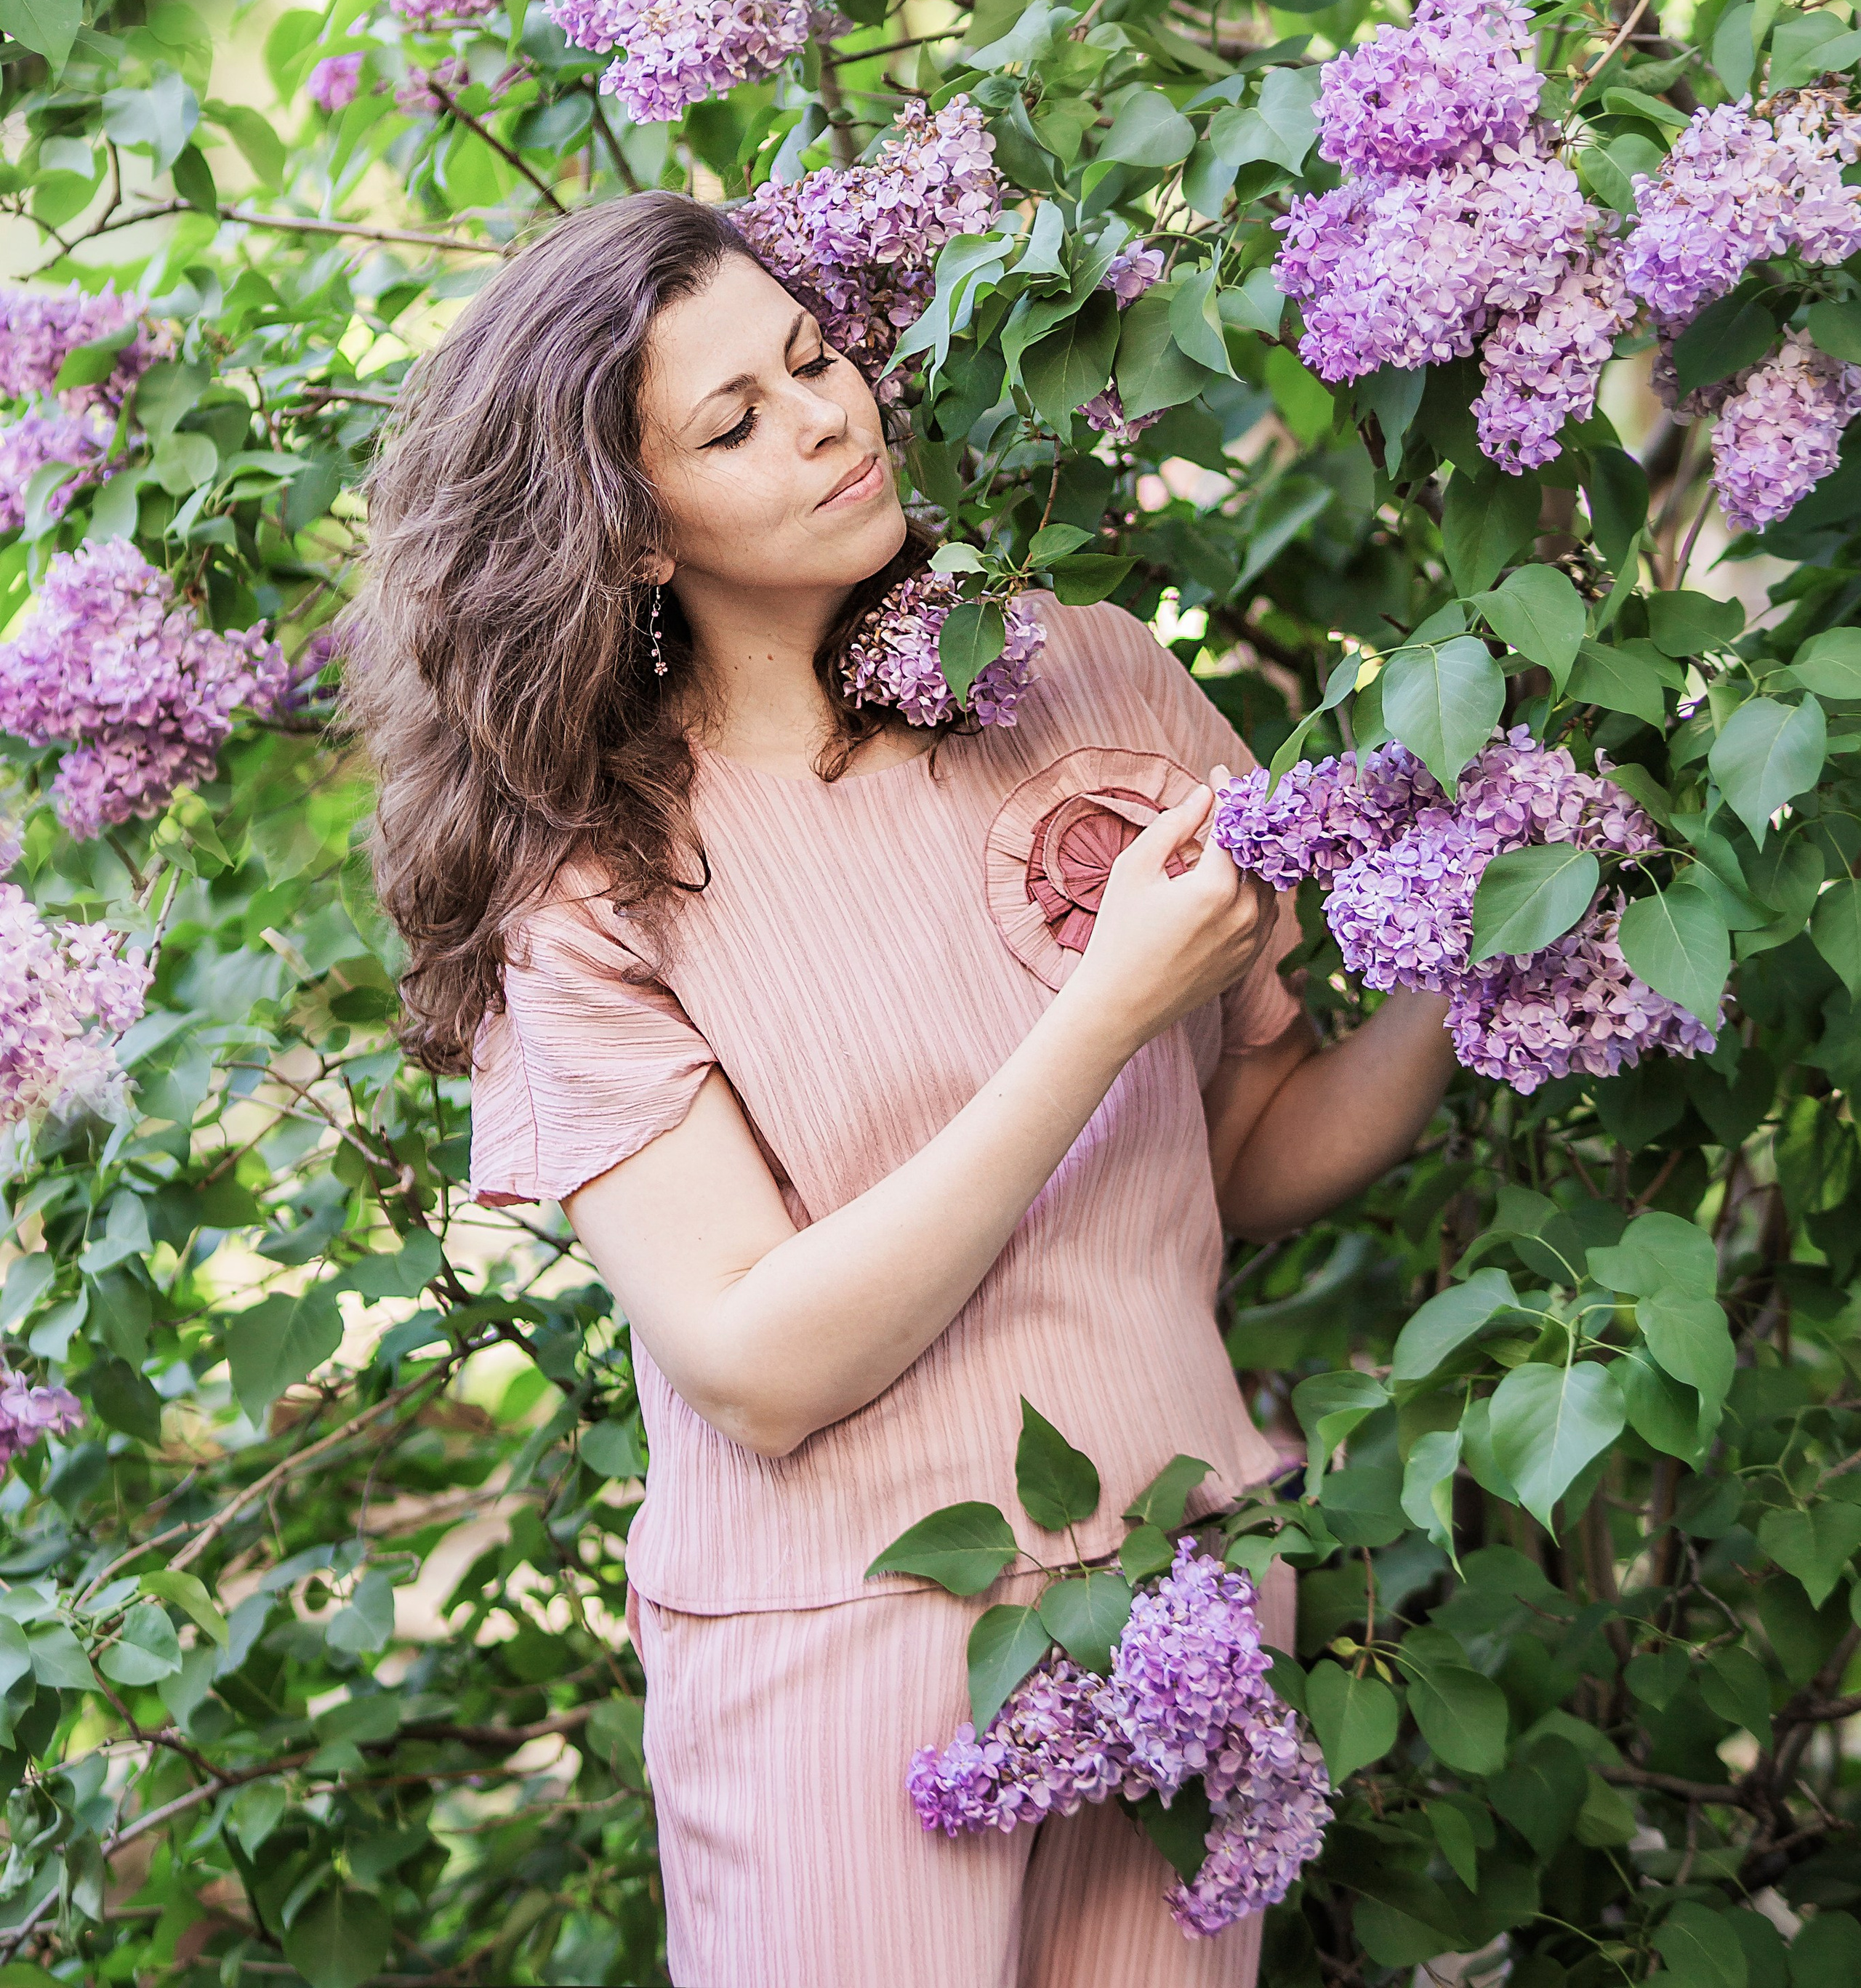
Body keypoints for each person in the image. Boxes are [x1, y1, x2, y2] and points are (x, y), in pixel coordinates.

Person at [348, 190, 1454, 1988]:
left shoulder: (1091, 674)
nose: (824, 417)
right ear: (631, 535)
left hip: (1180, 1598)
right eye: (734, 421)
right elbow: (753, 1364)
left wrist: (1480, 942)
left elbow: (1241, 1154)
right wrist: (1102, 1011)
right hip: (847, 1665)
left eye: (814, 358)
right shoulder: (588, 892)